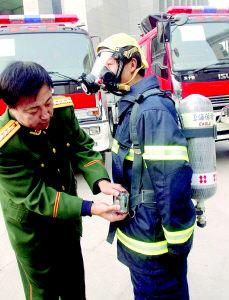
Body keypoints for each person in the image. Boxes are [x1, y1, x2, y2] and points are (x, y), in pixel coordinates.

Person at [82, 33, 196, 299]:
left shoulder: (151, 110)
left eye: (109, 64)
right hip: (141, 238)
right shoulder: (132, 104)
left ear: (132, 64)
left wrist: (178, 243)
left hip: (155, 246)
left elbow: (172, 181)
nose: (103, 73)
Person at [0, 61, 127, 300]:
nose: (46, 113)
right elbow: (36, 196)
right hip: (32, 229)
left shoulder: (62, 111)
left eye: (48, 102)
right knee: (42, 291)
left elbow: (81, 147)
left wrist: (101, 181)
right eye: (33, 110)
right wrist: (91, 208)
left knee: (74, 284)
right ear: (12, 108)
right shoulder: (5, 146)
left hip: (66, 221)